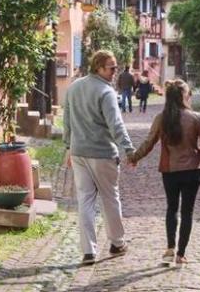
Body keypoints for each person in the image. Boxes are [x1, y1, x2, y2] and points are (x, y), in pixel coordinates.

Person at [126, 79, 200, 265]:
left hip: (170, 170)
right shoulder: (196, 117)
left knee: (172, 208)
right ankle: (181, 254)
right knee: (187, 212)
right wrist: (199, 153)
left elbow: (149, 142)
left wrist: (134, 157)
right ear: (184, 96)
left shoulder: (161, 118)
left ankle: (170, 248)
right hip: (192, 171)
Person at [63, 50, 135, 266]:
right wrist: (128, 149)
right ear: (98, 68)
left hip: (78, 152)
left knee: (85, 200)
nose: (115, 72)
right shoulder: (106, 92)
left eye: (115, 67)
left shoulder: (74, 87)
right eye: (111, 68)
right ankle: (117, 243)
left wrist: (68, 146)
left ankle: (88, 251)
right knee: (110, 197)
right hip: (102, 153)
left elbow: (67, 120)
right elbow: (116, 125)